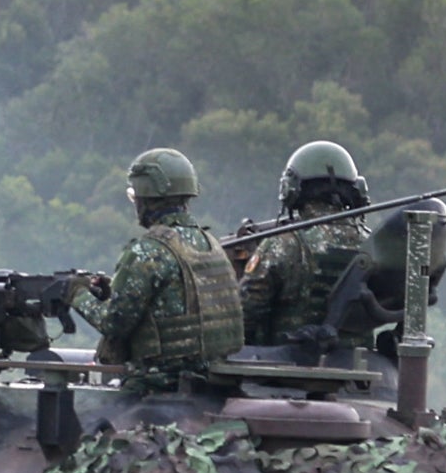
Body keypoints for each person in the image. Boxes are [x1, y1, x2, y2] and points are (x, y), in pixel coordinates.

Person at [88, 147, 244, 395]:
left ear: (146, 198)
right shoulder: (211, 243)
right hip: (213, 383)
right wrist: (111, 293)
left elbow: (114, 324)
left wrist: (76, 293)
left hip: (159, 386)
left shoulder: (148, 251)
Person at [239, 139, 377, 347]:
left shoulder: (284, 243)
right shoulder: (374, 245)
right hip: (361, 368)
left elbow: (246, 313)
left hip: (287, 370)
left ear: (291, 189)